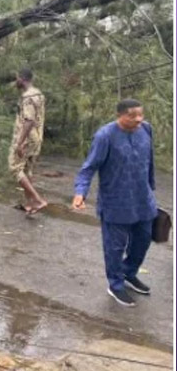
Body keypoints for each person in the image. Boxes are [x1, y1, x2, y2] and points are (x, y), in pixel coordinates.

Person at [73, 99, 157, 307]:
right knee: (114, 248)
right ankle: (116, 285)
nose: (138, 119)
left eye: (141, 114)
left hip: (143, 200)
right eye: (132, 115)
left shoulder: (146, 129)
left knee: (143, 241)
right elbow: (89, 167)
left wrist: (151, 187)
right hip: (116, 202)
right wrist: (80, 193)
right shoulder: (105, 136)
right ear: (120, 115)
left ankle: (129, 272)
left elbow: (149, 161)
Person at [8, 68, 47, 215]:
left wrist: (19, 143)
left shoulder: (28, 97)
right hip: (37, 137)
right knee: (27, 170)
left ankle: (37, 200)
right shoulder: (39, 94)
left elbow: (29, 121)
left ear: (22, 79)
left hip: (27, 139)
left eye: (17, 78)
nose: (15, 81)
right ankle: (30, 204)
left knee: (15, 168)